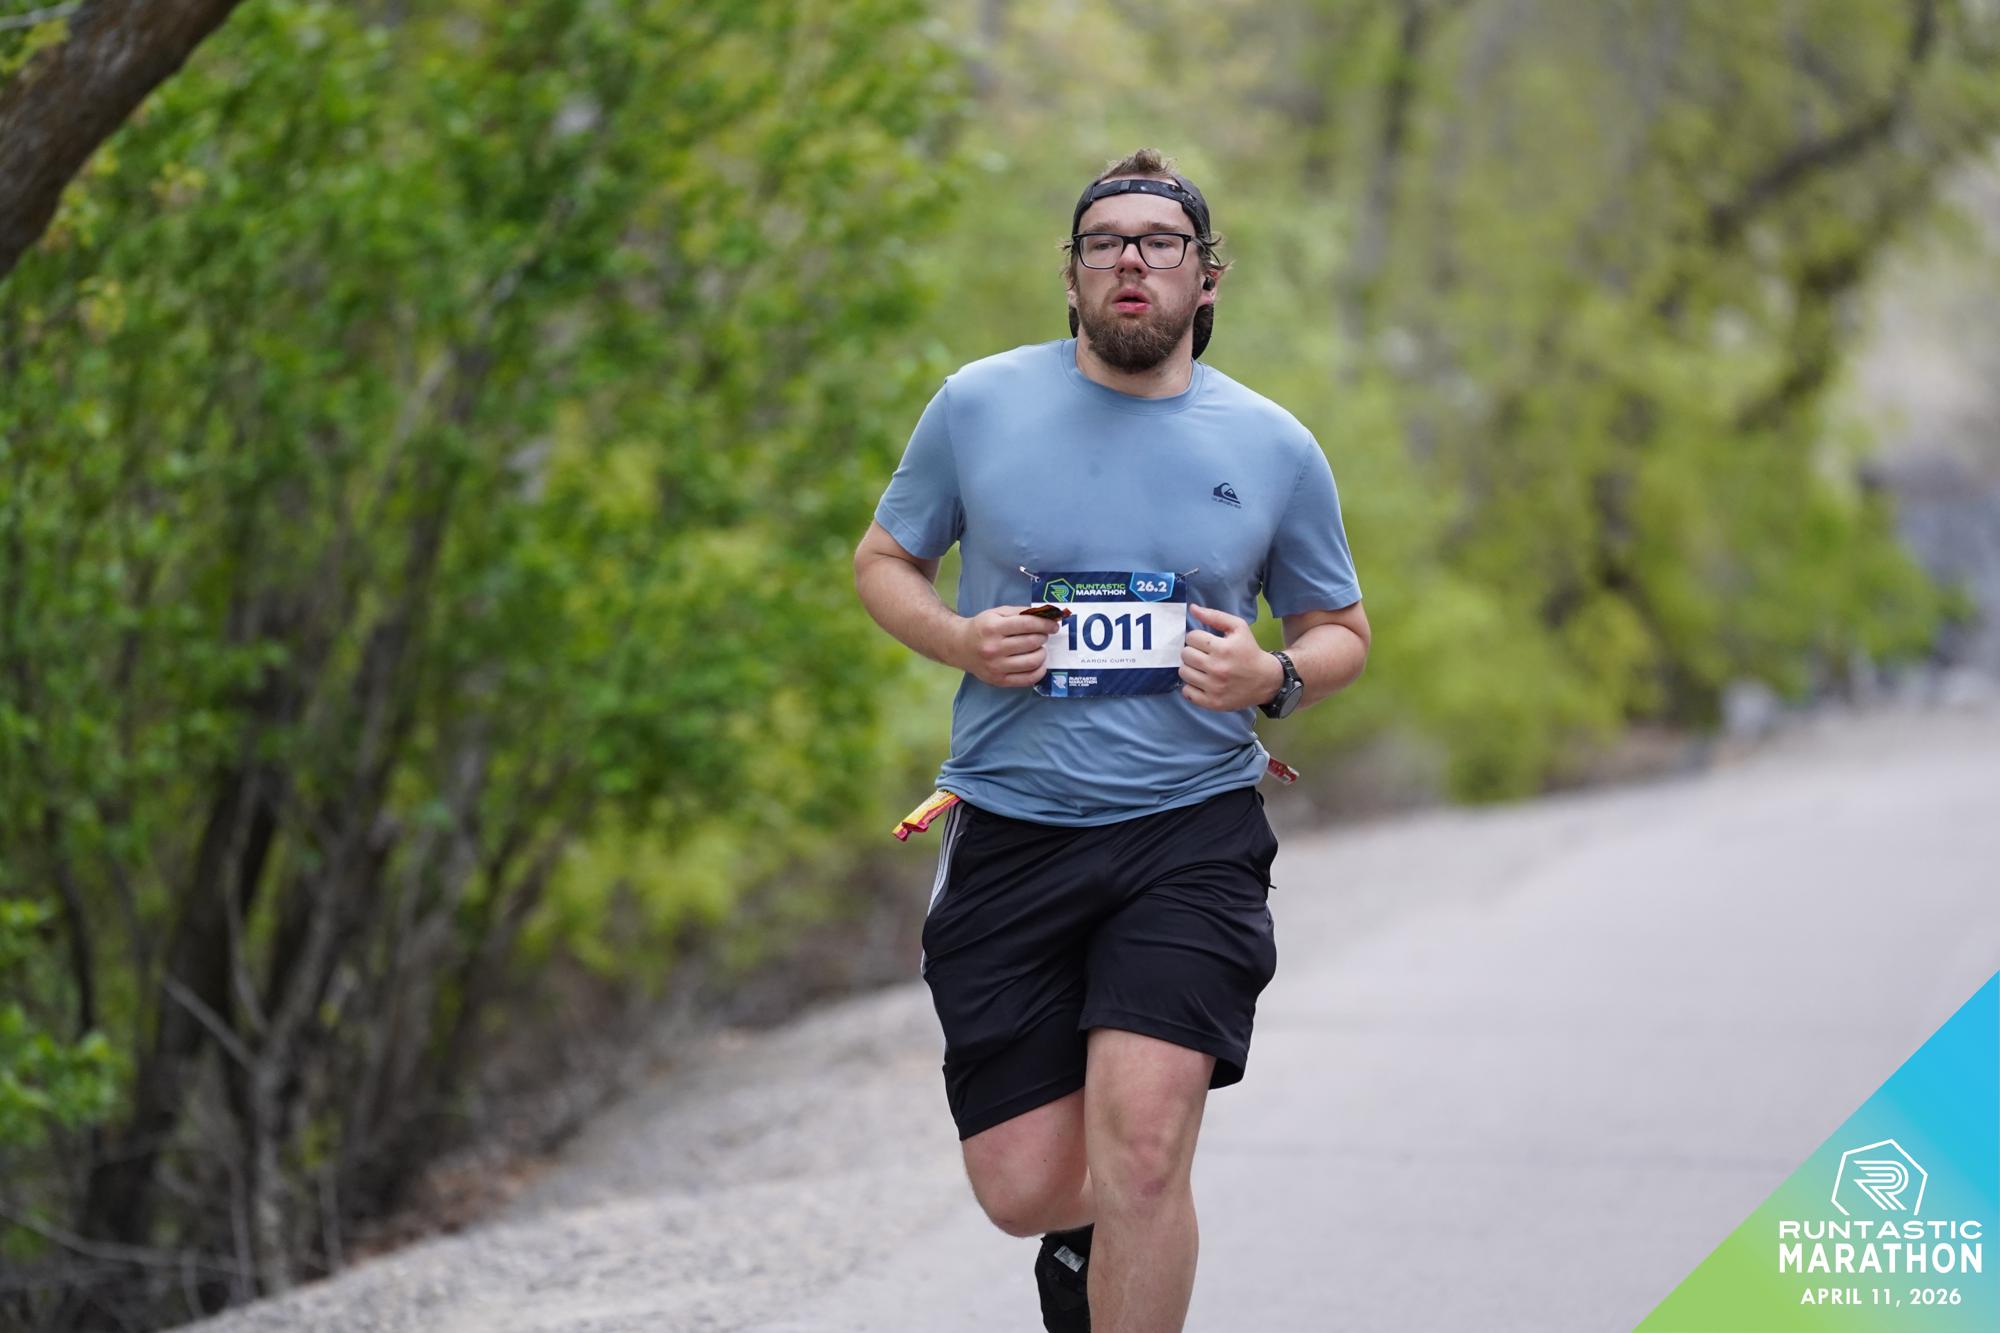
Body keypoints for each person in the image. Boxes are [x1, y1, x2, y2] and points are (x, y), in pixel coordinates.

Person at [852, 148, 1370, 1333]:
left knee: (1141, 1154)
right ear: (1071, 275)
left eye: (1159, 242)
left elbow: (1339, 629)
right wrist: (959, 639)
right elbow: (883, 561)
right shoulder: (977, 405)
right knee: (1022, 1185)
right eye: (1103, 242)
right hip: (1011, 825)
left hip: (1189, 831)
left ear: (1206, 277)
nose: (1130, 260)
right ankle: (1091, 1238)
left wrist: (1273, 675)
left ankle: (1135, 1223)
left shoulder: (1272, 444)